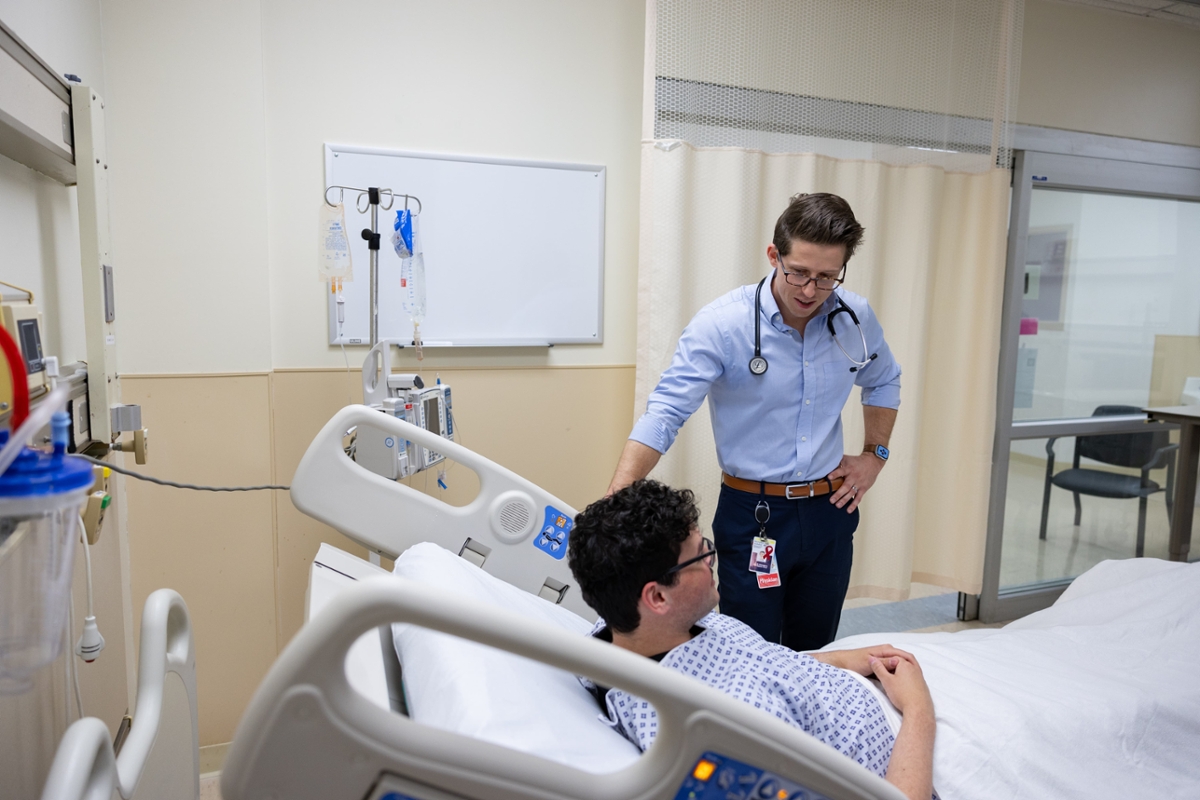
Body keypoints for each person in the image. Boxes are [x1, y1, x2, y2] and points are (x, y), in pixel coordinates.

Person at [607, 192, 901, 651]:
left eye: (826, 277)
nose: (810, 291)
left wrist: (874, 456)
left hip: (830, 514)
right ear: (773, 255)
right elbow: (666, 412)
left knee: (815, 649)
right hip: (754, 517)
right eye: (798, 272)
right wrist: (614, 500)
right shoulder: (723, 325)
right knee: (751, 651)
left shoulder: (853, 317)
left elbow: (884, 381)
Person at [569, 480, 935, 800]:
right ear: (658, 598)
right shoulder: (723, 736)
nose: (712, 559)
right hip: (909, 750)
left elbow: (758, 661)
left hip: (869, 686)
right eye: (700, 555)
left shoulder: (625, 629)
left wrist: (838, 659)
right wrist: (919, 709)